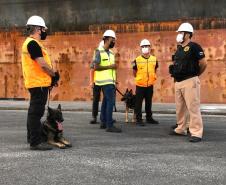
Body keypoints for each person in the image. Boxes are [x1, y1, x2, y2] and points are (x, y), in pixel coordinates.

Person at [21, 15, 60, 150]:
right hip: (38, 84)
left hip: (38, 83)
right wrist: (54, 75)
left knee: (33, 111)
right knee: (36, 113)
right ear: (38, 29)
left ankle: (31, 137)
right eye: (44, 29)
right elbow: (42, 64)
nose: (45, 32)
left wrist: (51, 78)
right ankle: (35, 142)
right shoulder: (32, 43)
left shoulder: (31, 43)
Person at [169, 22, 207, 142]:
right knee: (180, 108)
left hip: (190, 81)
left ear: (187, 34)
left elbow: (203, 63)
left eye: (181, 33)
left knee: (193, 108)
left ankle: (196, 132)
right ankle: (181, 128)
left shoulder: (194, 46)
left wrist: (195, 75)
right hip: (178, 82)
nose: (179, 35)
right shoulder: (179, 49)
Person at [94, 30, 121, 133]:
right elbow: (96, 67)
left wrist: (115, 80)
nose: (114, 42)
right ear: (108, 39)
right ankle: (109, 125)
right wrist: (110, 66)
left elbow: (113, 69)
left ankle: (103, 121)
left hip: (110, 81)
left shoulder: (111, 53)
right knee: (110, 102)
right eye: (113, 40)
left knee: (106, 101)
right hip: (104, 81)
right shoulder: (99, 51)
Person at [132, 39, 159, 126]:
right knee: (138, 103)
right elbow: (134, 72)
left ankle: (149, 118)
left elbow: (155, 70)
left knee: (149, 102)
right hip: (140, 85)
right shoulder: (136, 60)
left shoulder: (154, 59)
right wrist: (140, 78)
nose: (145, 48)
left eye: (146, 46)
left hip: (150, 85)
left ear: (150, 47)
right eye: (143, 46)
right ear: (140, 48)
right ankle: (138, 119)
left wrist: (151, 78)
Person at [89, 41, 104, 124]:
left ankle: (106, 116)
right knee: (96, 99)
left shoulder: (108, 55)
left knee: (107, 100)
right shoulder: (96, 56)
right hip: (97, 81)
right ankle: (94, 117)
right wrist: (91, 81)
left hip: (106, 81)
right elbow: (92, 70)